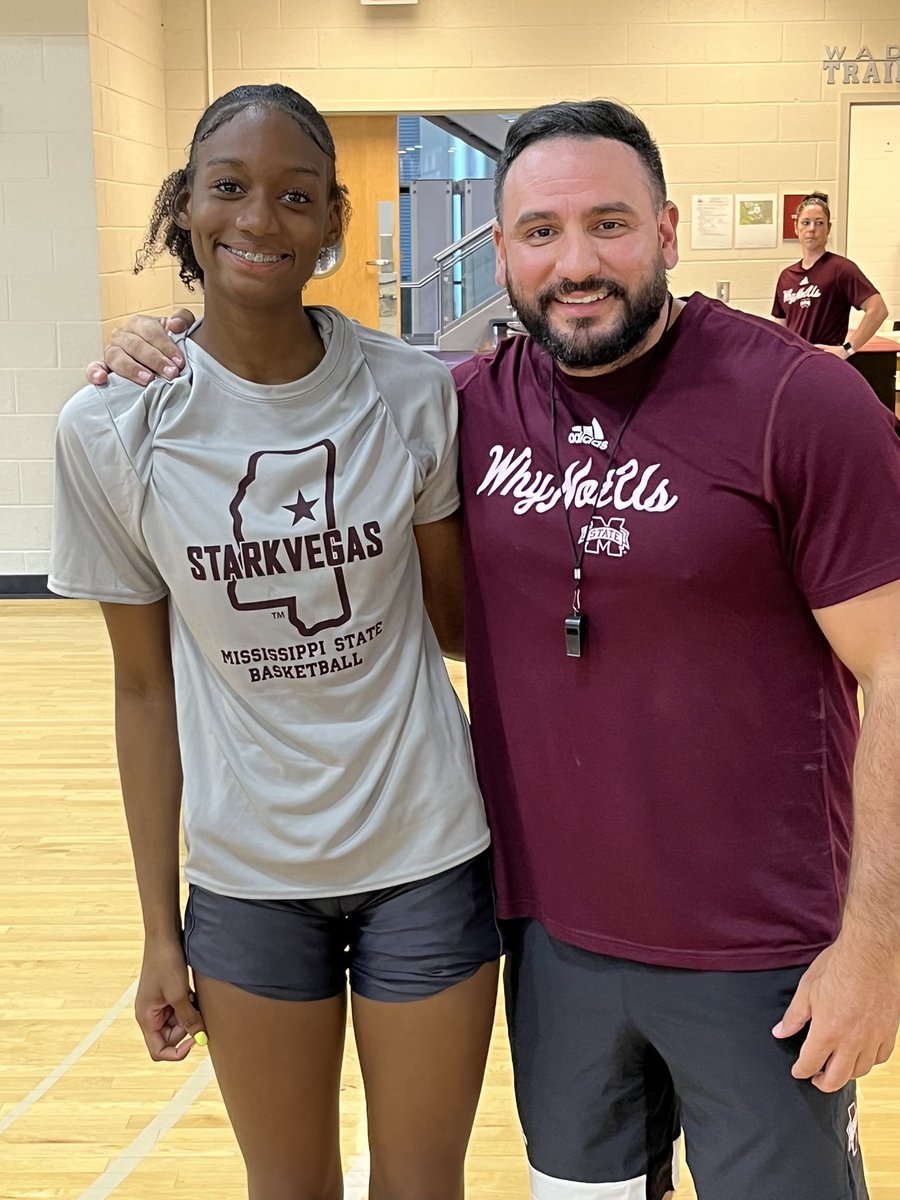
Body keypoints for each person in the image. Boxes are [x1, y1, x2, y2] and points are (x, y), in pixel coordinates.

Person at [88, 98, 900, 1200]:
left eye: (609, 224)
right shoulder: (463, 403)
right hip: (551, 944)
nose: (576, 263)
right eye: (540, 232)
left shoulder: (799, 402)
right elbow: (296, 393)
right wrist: (166, 340)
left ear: (666, 231)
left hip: (759, 954)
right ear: (502, 251)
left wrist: (876, 946)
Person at [51, 83, 501, 1200]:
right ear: (185, 206)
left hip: (426, 856)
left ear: (334, 219)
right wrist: (159, 931)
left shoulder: (412, 392)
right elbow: (143, 693)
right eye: (229, 188)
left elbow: (458, 627)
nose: (259, 219)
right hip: (249, 879)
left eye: (296, 195)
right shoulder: (109, 427)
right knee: (288, 1186)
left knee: (422, 1185)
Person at [772, 191, 889, 358]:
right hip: (795, 364)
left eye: (819, 223)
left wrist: (846, 349)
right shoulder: (786, 276)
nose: (812, 229)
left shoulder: (841, 269)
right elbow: (780, 328)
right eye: (806, 222)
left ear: (828, 228)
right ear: (796, 228)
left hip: (825, 363)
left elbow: (878, 310)